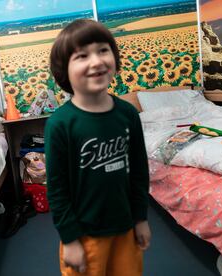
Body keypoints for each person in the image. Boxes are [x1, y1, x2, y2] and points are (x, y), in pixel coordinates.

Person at [45, 19, 151, 276]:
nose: (96, 61)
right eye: (82, 56)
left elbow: (139, 172)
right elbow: (58, 190)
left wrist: (141, 218)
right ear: (64, 71)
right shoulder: (59, 124)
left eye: (103, 50)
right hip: (84, 235)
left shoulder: (128, 114)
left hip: (126, 228)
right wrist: (69, 239)